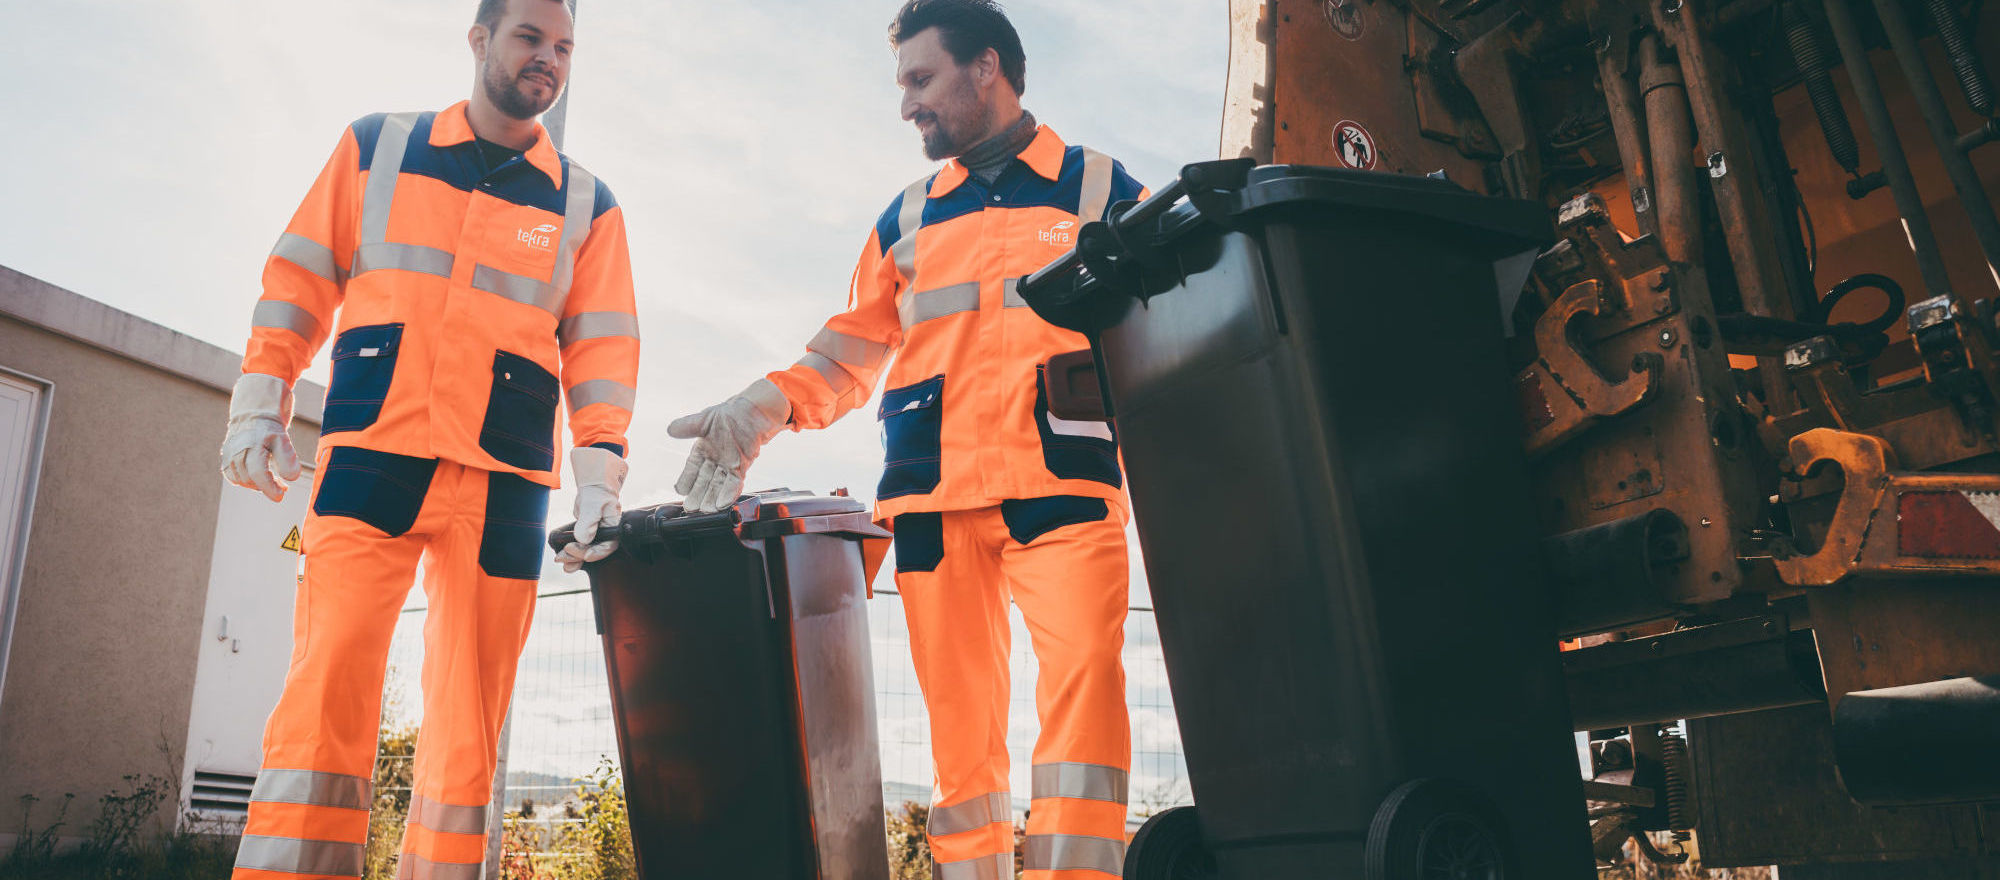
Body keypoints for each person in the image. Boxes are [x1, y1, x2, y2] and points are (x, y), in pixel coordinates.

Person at [669, 2, 1142, 876]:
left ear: (986, 67)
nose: (906, 106)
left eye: (921, 80)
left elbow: (1165, 335)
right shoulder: (907, 217)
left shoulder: (1102, 191)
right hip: (931, 504)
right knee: (961, 746)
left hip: (1062, 488)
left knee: (1088, 706)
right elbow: (847, 353)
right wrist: (761, 410)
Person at [218, 0, 637, 875]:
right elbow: (299, 274)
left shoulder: (586, 203)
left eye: (564, 47)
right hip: (372, 450)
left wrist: (600, 474)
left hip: (507, 479)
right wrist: (261, 398)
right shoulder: (380, 147)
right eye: (530, 38)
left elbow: (602, 350)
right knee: (325, 690)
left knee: (470, 722)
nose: (548, 61)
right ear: (479, 39)